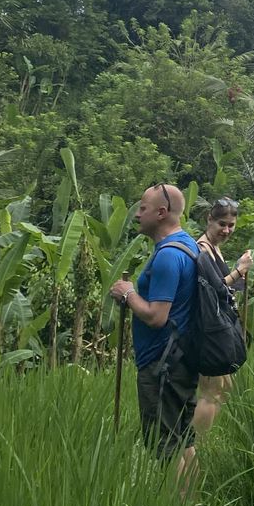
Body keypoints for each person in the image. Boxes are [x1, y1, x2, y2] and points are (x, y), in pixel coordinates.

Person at [109, 182, 200, 484]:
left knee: (166, 448)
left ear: (161, 213)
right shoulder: (188, 244)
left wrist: (127, 294)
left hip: (162, 366)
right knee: (184, 443)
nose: (136, 214)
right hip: (182, 360)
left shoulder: (167, 257)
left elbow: (156, 316)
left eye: (143, 208)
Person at [192, 196, 252, 435]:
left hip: (220, 329)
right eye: (222, 224)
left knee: (225, 387)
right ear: (210, 220)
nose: (227, 230)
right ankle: (194, 444)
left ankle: (208, 438)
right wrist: (239, 271)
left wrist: (240, 274)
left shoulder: (215, 248)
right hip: (207, 332)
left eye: (231, 225)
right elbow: (212, 288)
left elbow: (225, 289)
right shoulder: (202, 249)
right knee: (211, 391)